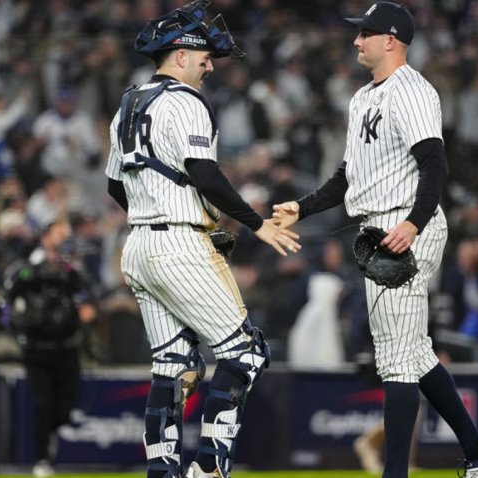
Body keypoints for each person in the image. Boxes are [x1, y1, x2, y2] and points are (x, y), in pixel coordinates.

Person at [272, 3, 478, 477]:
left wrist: (415, 223)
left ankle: (395, 473)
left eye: (366, 33)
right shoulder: (363, 98)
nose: (357, 41)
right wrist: (303, 206)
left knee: (398, 362)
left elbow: (435, 163)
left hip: (403, 226)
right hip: (378, 227)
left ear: (392, 40)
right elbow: (346, 177)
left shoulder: (414, 90)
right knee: (412, 353)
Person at [103, 2, 300, 478]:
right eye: (204, 54)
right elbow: (206, 175)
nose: (211, 63)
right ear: (180, 55)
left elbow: (114, 186)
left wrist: (155, 214)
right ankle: (209, 468)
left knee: (172, 365)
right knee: (245, 352)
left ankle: (162, 471)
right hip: (178, 245)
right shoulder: (185, 102)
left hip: (140, 248)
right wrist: (256, 224)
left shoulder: (126, 105)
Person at [3, 218, 96, 478]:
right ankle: (42, 459)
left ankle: (52, 434)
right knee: (42, 403)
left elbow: (87, 295)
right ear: (44, 236)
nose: (62, 237)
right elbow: (6, 301)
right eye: (57, 232)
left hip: (67, 347)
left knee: (66, 407)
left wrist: (88, 310)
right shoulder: (26, 269)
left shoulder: (70, 269)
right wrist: (13, 326)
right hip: (36, 348)